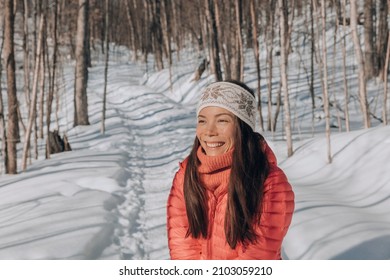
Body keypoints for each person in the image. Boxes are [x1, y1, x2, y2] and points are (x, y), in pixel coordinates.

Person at [166, 80, 294, 260]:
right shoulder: (186, 175)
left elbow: (258, 255)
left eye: (222, 121)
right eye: (202, 121)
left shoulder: (269, 181)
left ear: (243, 127)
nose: (209, 131)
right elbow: (182, 244)